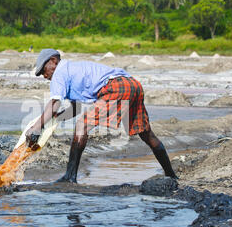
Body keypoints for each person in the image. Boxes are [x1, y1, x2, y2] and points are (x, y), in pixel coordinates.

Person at [26, 49, 177, 184]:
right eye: (41, 74)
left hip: (115, 87)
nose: (45, 76)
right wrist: (53, 120)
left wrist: (36, 127)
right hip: (132, 84)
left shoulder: (59, 72)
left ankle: (69, 177)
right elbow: (75, 109)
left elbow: (54, 103)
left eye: (44, 70)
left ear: (54, 61)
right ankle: (171, 175)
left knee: (81, 125)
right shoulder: (73, 69)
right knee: (146, 133)